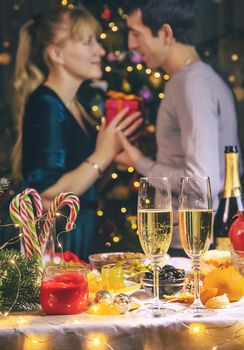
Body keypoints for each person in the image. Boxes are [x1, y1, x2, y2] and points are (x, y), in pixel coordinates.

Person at [12, 7, 142, 260]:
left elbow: (81, 183)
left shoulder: (77, 106)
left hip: (74, 239)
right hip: (53, 248)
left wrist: (112, 155)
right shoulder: (46, 104)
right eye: (87, 42)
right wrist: (101, 156)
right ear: (57, 54)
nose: (100, 51)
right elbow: (48, 194)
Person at [117, 0, 242, 256]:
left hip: (189, 247)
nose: (130, 44)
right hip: (195, 241)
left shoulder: (191, 84)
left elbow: (200, 182)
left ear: (165, 33)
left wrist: (138, 161)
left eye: (136, 33)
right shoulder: (198, 78)